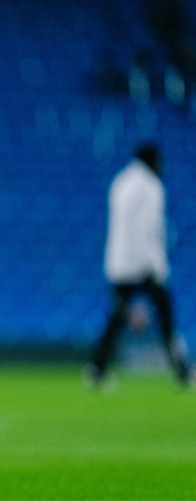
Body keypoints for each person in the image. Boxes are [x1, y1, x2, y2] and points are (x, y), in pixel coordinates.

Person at [86, 144, 192, 388]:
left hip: (120, 264)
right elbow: (150, 230)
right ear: (152, 161)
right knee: (166, 319)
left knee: (115, 320)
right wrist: (157, 267)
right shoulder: (152, 187)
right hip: (145, 266)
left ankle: (97, 370)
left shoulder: (120, 181)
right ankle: (182, 371)